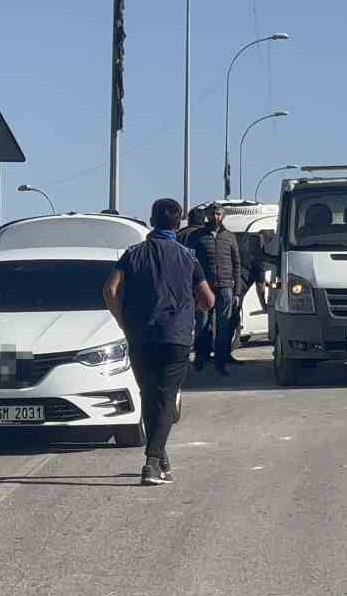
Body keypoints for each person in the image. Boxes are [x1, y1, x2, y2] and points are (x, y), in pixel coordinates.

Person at [103, 198, 215, 487]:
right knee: (165, 400)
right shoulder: (188, 256)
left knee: (150, 397)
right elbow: (208, 300)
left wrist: (123, 321)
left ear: (152, 220)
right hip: (175, 337)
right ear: (177, 223)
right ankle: (152, 463)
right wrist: (190, 309)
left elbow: (110, 289)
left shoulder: (133, 254)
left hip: (141, 336)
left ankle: (160, 458)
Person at [190, 203, 244, 374]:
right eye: (212, 214)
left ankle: (220, 361)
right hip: (204, 287)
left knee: (224, 325)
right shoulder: (197, 236)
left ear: (223, 216)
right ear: (207, 215)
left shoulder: (229, 237)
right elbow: (190, 261)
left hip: (226, 287)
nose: (215, 217)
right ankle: (201, 357)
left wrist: (237, 292)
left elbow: (237, 264)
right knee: (203, 324)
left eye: (219, 214)